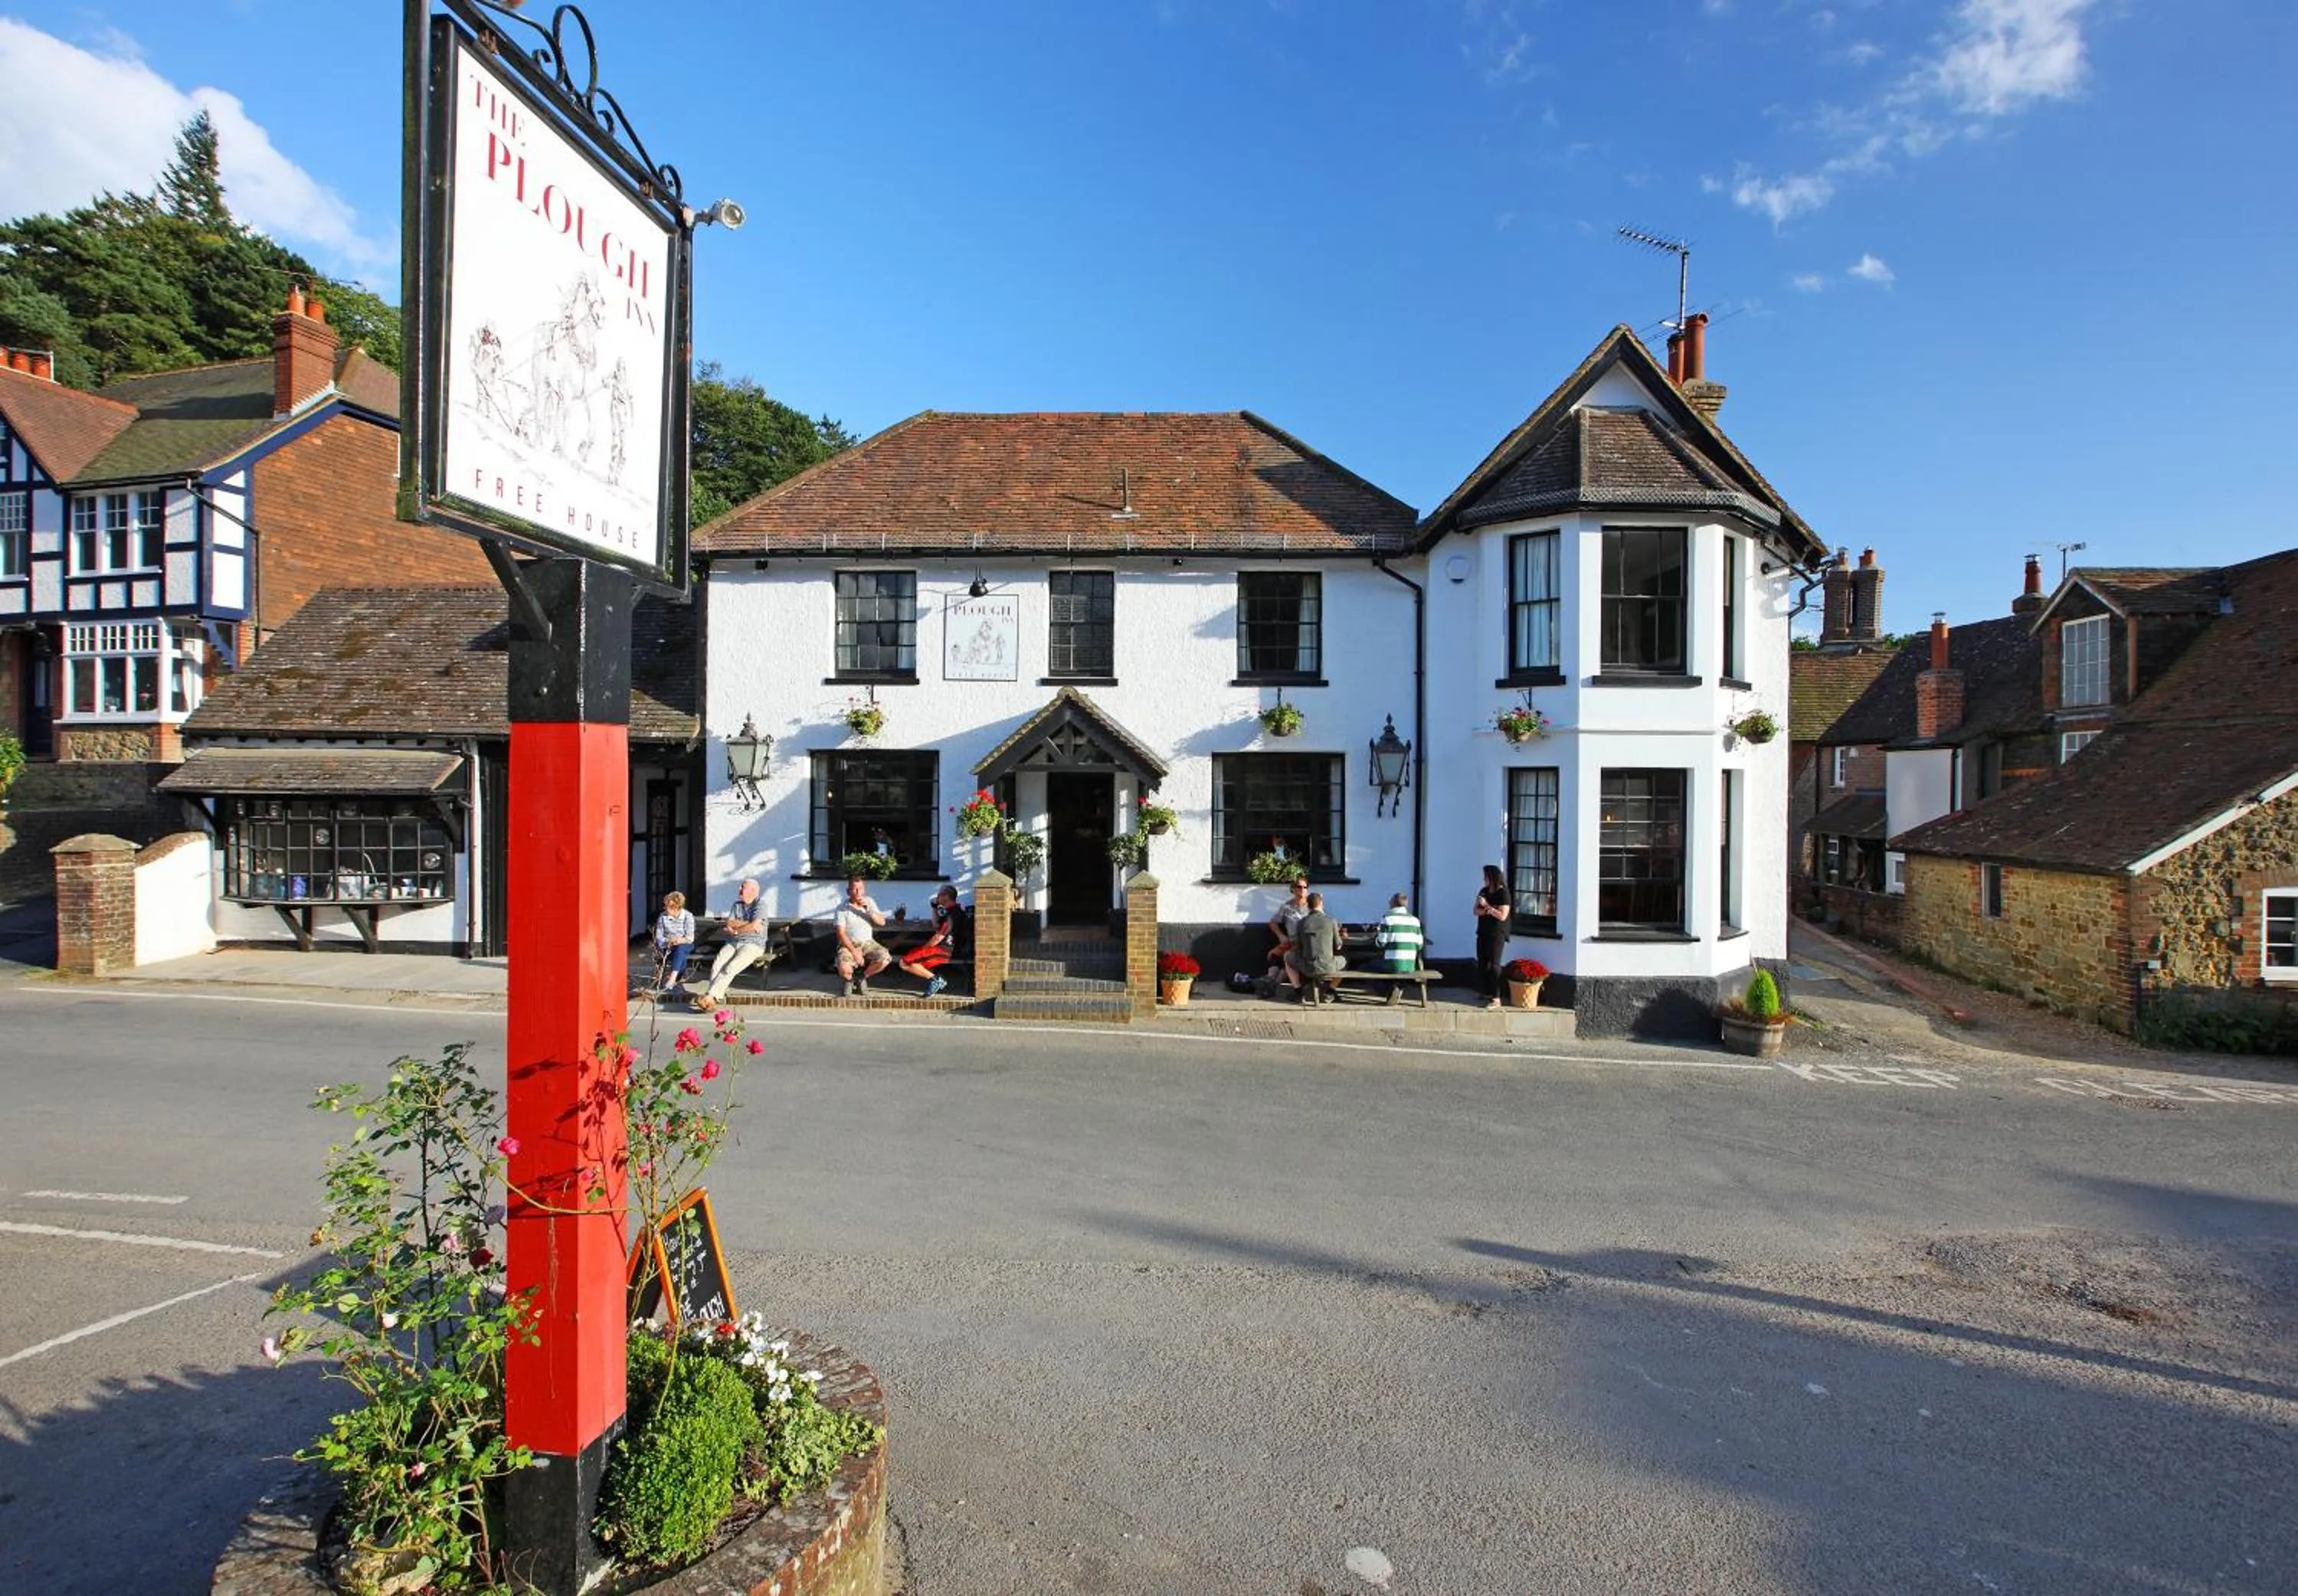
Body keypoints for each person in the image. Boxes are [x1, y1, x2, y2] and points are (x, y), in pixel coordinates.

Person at [696, 878, 768, 1009]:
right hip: (734, 941)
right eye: (740, 887)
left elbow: (755, 925)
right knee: (717, 964)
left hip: (753, 944)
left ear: (753, 891)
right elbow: (730, 923)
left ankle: (710, 996)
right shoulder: (737, 905)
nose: (739, 889)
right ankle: (713, 998)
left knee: (731, 967)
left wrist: (737, 930)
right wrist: (747, 925)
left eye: (743, 887)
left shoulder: (760, 905)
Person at [898, 884, 971, 999]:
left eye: (939, 895)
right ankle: (935, 978)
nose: (937, 897)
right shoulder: (950, 911)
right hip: (946, 949)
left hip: (946, 950)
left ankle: (936, 980)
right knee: (912, 957)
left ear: (946, 896)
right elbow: (936, 924)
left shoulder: (952, 914)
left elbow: (938, 937)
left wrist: (924, 949)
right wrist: (934, 907)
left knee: (905, 962)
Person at [833, 874, 893, 997]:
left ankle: (861, 977)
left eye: (860, 889)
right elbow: (840, 933)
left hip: (868, 942)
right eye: (854, 889)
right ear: (848, 891)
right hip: (849, 944)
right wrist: (854, 951)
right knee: (844, 970)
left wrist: (869, 910)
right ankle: (849, 980)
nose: (858, 892)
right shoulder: (841, 909)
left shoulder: (869, 902)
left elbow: (882, 922)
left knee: (885, 959)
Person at [1285, 891, 1344, 1002]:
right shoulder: (1331, 921)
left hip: (1306, 966)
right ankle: (1330, 991)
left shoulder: (1301, 923)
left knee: (1287, 956)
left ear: (1308, 906)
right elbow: (1338, 946)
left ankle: (1298, 990)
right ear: (1321, 904)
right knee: (1345, 960)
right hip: (1327, 966)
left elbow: (1299, 945)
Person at [1265, 874, 1313, 993]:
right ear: (1293, 889)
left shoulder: (1313, 906)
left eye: (1304, 887)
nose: (1302, 890)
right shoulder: (1287, 906)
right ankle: (1270, 980)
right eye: (1299, 887)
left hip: (1306, 944)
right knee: (1273, 955)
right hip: (1290, 941)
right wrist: (1281, 936)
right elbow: (1273, 922)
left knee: (1289, 959)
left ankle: (1273, 985)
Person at [1473, 864, 1512, 1010]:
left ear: (1492, 877)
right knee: (1483, 962)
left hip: (1497, 933)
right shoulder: (1484, 891)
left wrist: (1487, 907)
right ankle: (1486, 992)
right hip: (1483, 931)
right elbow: (1476, 911)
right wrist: (1486, 909)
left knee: (1495, 964)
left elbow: (1502, 915)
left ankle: (1496, 998)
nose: (1484, 879)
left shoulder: (1504, 893)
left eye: (1486, 876)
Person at [652, 890, 696, 996]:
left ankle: (672, 977)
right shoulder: (662, 917)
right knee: (680, 955)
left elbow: (690, 938)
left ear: (675, 907)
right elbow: (659, 936)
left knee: (680, 949)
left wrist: (679, 940)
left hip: (686, 944)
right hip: (669, 946)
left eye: (666, 906)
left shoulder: (688, 916)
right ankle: (677, 978)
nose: (664, 908)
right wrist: (668, 942)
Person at [1373, 892, 1424, 973]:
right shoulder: (1415, 921)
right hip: (1410, 967)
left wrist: (1376, 937)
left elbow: (1381, 943)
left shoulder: (1387, 919)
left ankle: (1387, 986)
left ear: (1393, 903)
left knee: (1363, 967)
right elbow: (1419, 946)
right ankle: (1396, 984)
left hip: (1392, 965)